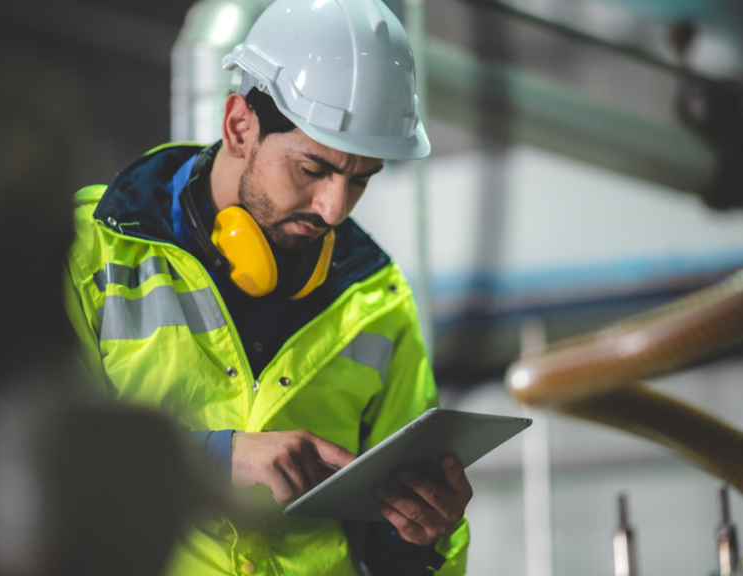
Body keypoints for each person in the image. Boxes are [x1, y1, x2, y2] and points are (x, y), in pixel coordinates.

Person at [63, 0, 471, 573]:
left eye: (360, 180)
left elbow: (388, 551)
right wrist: (219, 456)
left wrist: (419, 539)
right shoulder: (92, 252)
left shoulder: (376, 300)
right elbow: (38, 464)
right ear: (239, 127)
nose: (334, 209)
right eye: (313, 169)